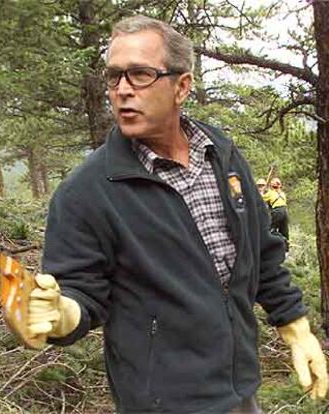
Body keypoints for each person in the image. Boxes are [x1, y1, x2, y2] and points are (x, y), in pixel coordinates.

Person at [26, 16, 327, 414]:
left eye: (140, 75)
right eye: (115, 77)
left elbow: (260, 249)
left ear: (181, 86)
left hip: (241, 390)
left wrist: (296, 327)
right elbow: (79, 292)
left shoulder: (220, 152)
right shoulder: (87, 191)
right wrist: (60, 313)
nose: (122, 91)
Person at [262, 177, 289, 250]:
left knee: (270, 229)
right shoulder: (283, 194)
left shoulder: (270, 193)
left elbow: (260, 199)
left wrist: (262, 193)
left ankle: (269, 245)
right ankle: (286, 248)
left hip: (277, 212)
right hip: (285, 212)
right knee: (284, 230)